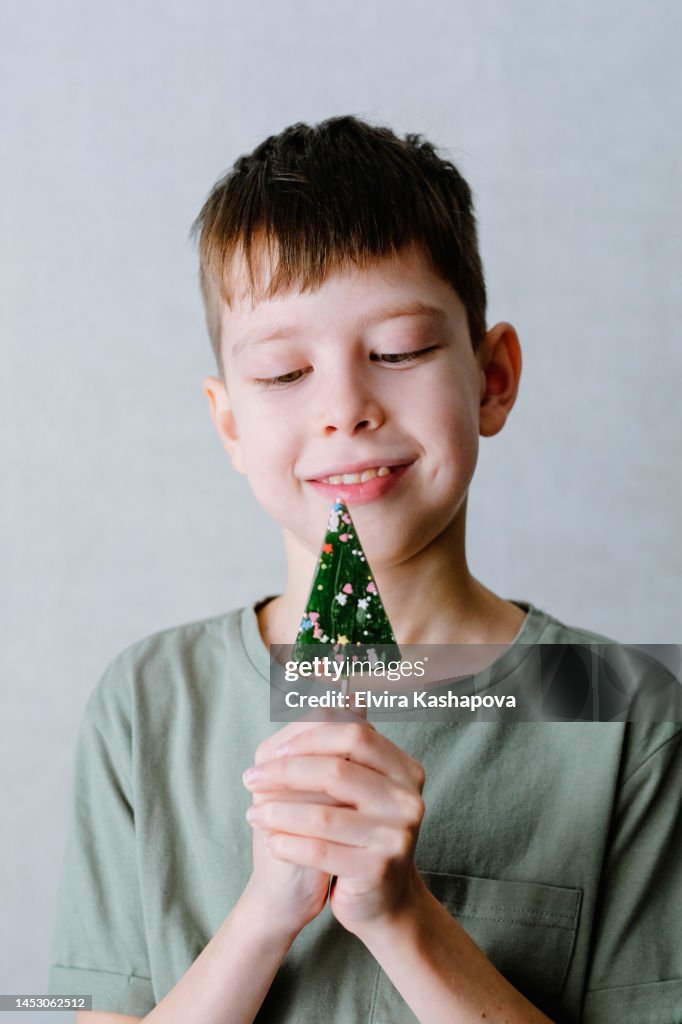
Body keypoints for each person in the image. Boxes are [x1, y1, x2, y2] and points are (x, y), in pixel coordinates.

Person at [49, 116, 682, 1024]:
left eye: (399, 353)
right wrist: (269, 912)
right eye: (281, 372)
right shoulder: (150, 701)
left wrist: (403, 919)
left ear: (493, 377)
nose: (346, 408)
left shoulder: (623, 707)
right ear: (229, 423)